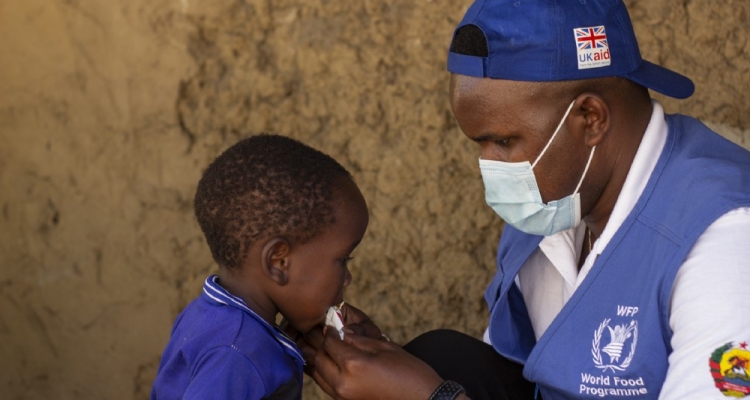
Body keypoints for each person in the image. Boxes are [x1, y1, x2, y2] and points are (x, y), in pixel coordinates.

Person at [300, 1, 750, 399]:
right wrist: (392, 373)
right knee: (440, 357)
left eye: (502, 141)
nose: (490, 168)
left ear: (590, 118)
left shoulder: (724, 239)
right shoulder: (556, 201)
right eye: (479, 144)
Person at [150, 134, 373, 400]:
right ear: (278, 262)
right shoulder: (237, 353)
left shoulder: (206, 314)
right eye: (343, 260)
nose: (347, 279)